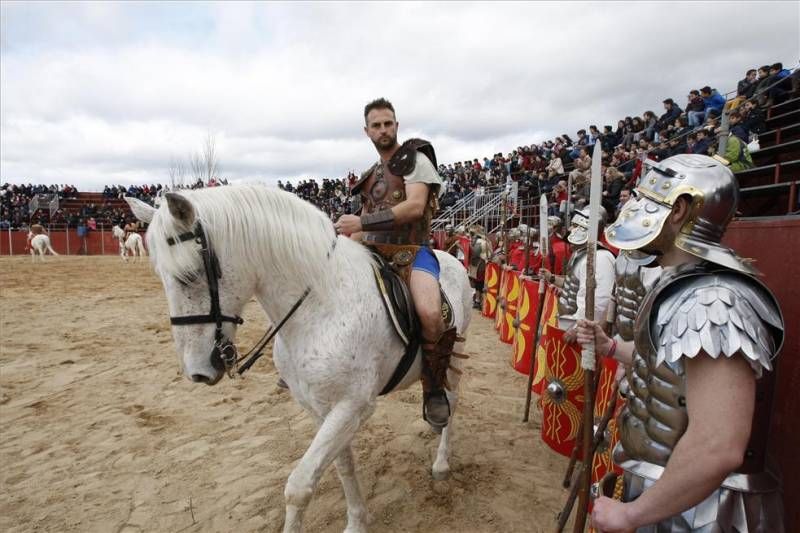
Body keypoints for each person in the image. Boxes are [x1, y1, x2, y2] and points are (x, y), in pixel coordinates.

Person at [579, 154, 785, 532]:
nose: (635, 210)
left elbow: (717, 445)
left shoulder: (714, 300)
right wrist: (609, 346)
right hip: (670, 493)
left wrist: (631, 515)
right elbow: (665, 369)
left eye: (648, 202)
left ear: (679, 210)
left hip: (703, 511)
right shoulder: (679, 285)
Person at [336, 98, 455, 430]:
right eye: (376, 125)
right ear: (367, 131)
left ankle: (433, 387)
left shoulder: (415, 159)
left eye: (388, 123)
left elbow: (416, 207)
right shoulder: (370, 175)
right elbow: (362, 222)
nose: (383, 130)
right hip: (371, 249)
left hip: (412, 251)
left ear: (397, 126)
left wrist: (360, 224)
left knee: (431, 314)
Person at [541, 206, 616, 338]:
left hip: (582, 332)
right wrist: (551, 278)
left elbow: (599, 302)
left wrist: (578, 329)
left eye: (576, 226)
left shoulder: (600, 257)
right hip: (569, 321)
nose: (570, 230)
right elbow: (574, 284)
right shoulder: (581, 254)